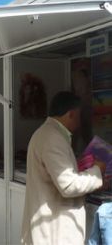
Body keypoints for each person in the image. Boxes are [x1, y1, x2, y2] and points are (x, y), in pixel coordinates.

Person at [21, 91, 105, 245]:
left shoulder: (47, 133)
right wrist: (97, 170)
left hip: (49, 225)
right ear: (71, 114)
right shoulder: (53, 138)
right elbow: (68, 186)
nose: (80, 122)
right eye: (79, 116)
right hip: (54, 230)